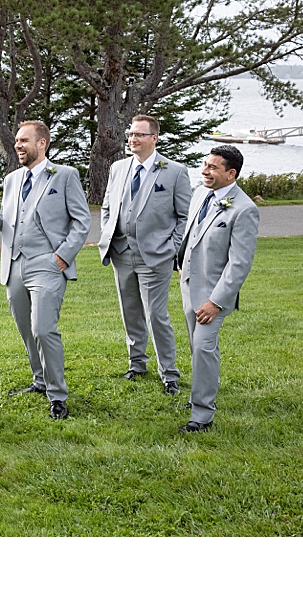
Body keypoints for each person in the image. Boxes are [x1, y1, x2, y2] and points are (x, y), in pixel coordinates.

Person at [0, 121, 90, 420]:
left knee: (44, 329)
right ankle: (39, 381)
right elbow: (9, 220)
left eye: (24, 140)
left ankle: (57, 395)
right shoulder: (13, 179)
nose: (18, 145)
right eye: (16, 140)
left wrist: (63, 256)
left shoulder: (65, 176)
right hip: (14, 265)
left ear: (42, 143)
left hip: (48, 264)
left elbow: (82, 222)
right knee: (27, 331)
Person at [97, 114, 191, 395]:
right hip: (121, 252)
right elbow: (107, 207)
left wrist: (171, 248)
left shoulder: (174, 172)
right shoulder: (118, 168)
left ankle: (169, 374)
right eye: (131, 134)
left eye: (139, 134)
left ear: (154, 138)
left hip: (156, 257)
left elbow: (185, 216)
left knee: (156, 314)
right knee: (130, 312)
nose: (132, 139)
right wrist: (109, 234)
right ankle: (137, 363)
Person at [176, 145, 259, 433]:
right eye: (205, 164)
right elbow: (190, 233)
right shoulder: (200, 194)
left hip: (213, 295)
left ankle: (201, 415)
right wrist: (181, 264)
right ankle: (199, 393)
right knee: (196, 347)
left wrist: (216, 302)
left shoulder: (245, 209)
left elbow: (239, 264)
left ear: (231, 173)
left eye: (213, 167)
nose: (205, 171)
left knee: (203, 347)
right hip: (189, 284)